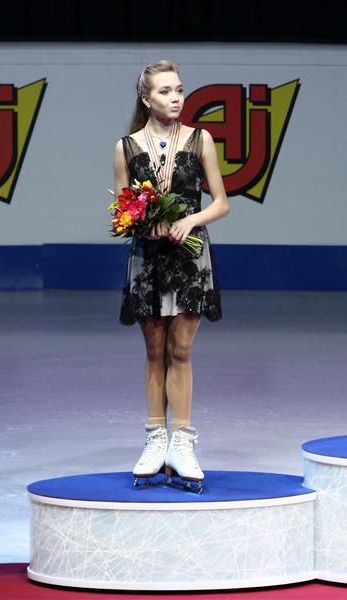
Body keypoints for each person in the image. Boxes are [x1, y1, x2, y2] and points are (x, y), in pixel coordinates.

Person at [115, 60, 229, 492]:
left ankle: (182, 442)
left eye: (179, 89)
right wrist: (143, 223)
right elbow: (122, 210)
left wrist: (190, 220)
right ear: (147, 99)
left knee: (180, 351)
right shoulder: (125, 147)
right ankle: (154, 439)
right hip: (148, 260)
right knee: (154, 352)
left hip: (189, 259)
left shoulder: (201, 140)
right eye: (165, 91)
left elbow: (221, 202)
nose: (176, 97)